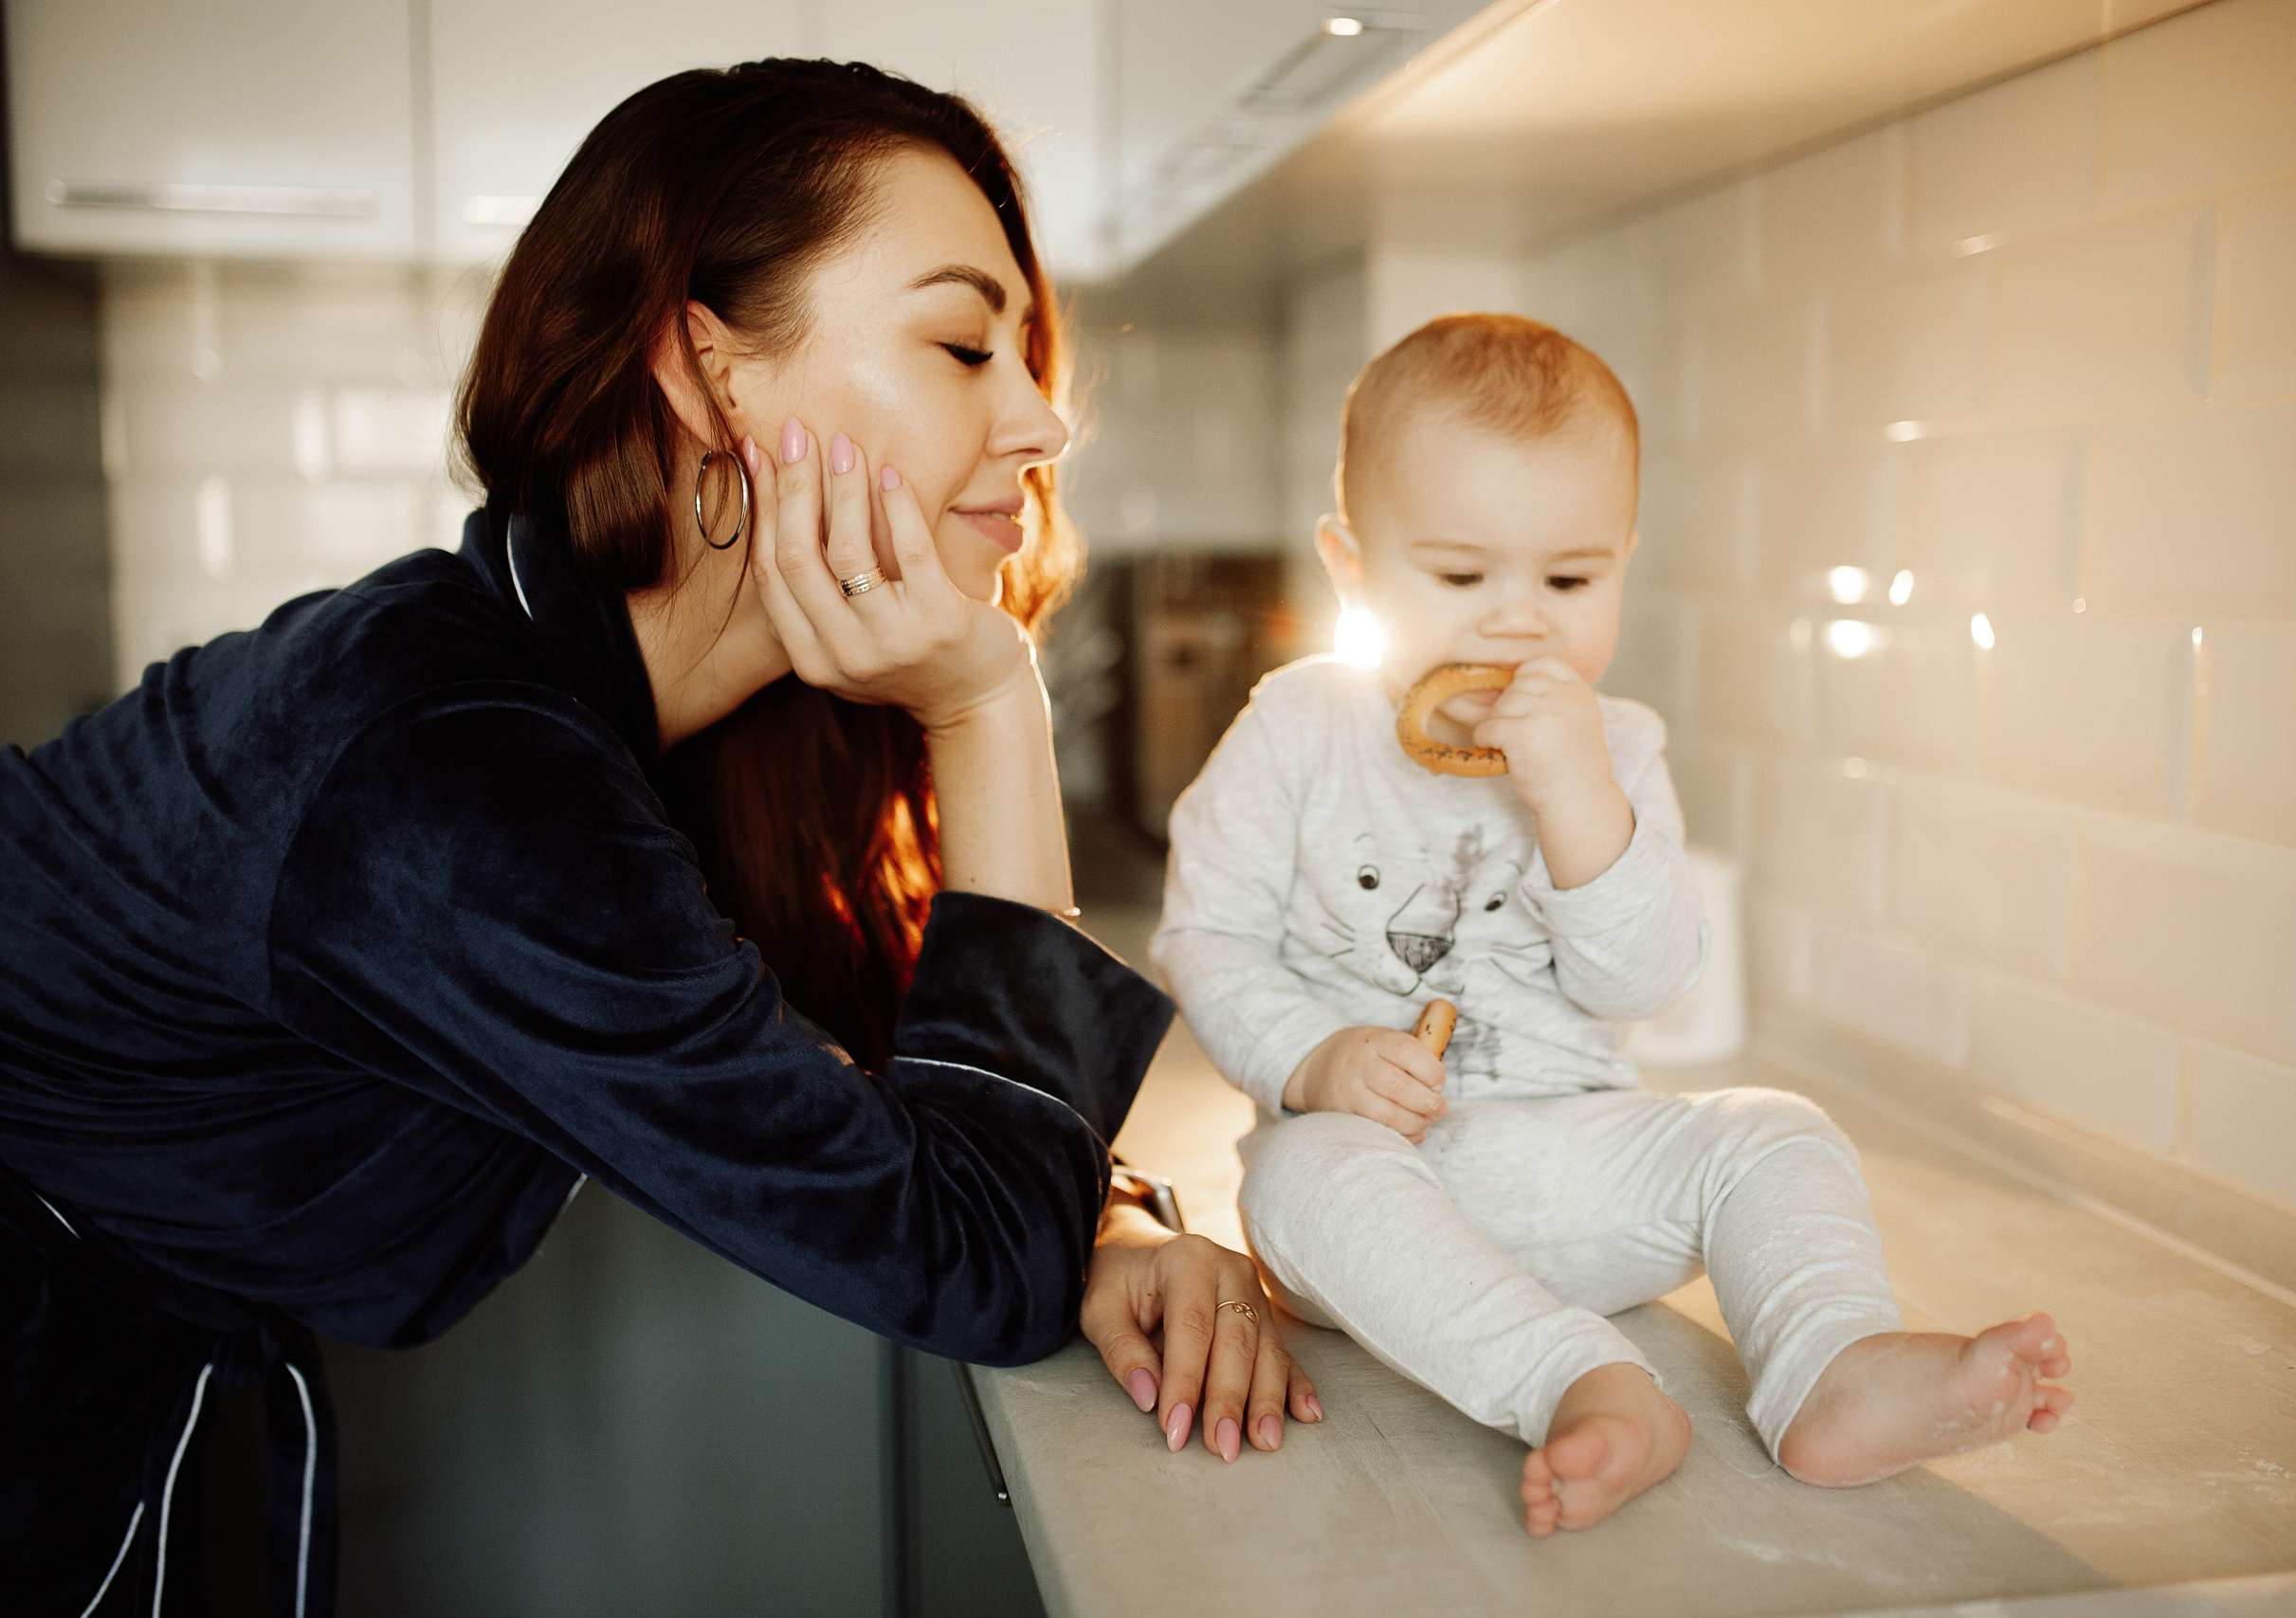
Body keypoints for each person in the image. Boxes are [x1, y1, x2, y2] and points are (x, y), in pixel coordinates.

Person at [0, 60, 1312, 1617]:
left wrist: (1105, 1211)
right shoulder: (452, 770)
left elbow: (900, 1103)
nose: (1042, 418)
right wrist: (992, 713)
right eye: (966, 341)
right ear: (705, 373)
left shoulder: (648, 711)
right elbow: (966, 1250)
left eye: (1027, 351)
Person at [1151, 313, 2071, 1536]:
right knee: (1294, 1182)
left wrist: (1578, 794)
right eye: (1463, 576)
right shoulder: (1296, 726)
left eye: (1571, 580)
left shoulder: (1618, 747)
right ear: (1352, 565)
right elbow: (1205, 936)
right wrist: (1310, 1065)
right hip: (1379, 1189)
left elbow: (1644, 983)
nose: (1519, 620)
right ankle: (1574, 1379)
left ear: (1623, 562)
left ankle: (1830, 1366)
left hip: (1584, 1168)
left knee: (1769, 1129)